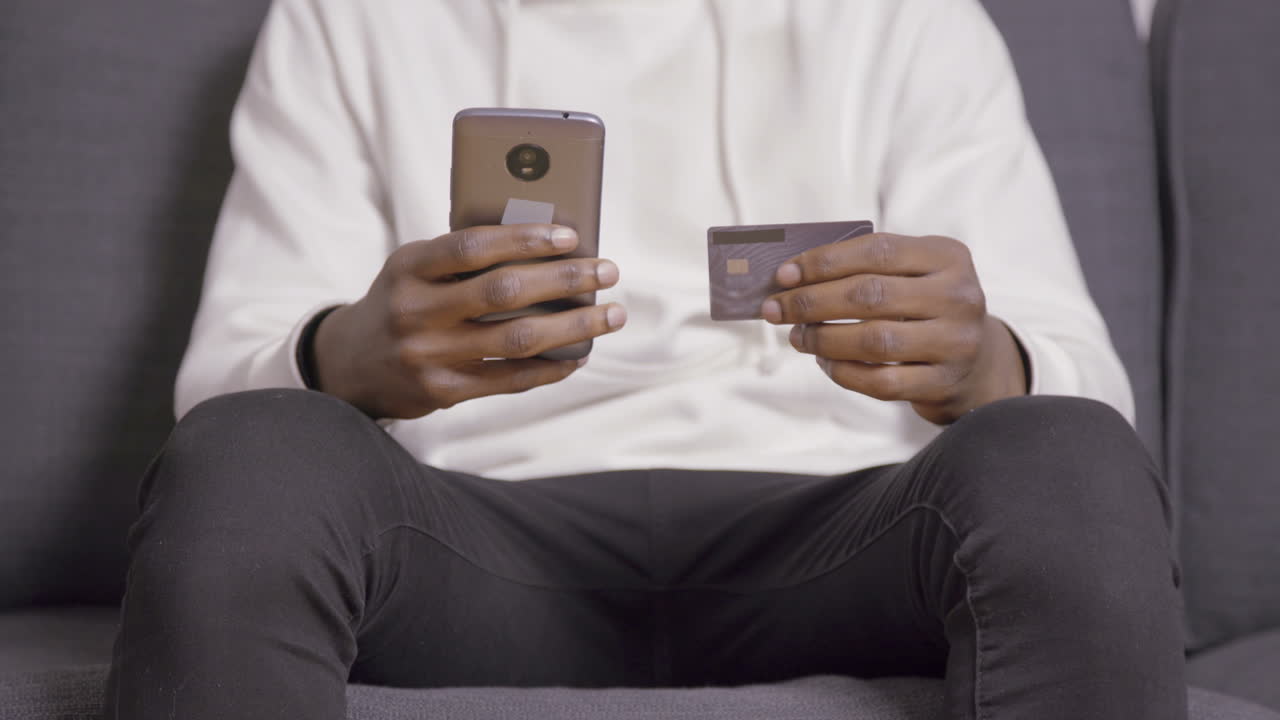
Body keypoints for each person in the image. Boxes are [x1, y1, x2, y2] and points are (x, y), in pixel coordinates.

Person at [103, 0, 1187, 718]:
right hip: (469, 541)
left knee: (1066, 461)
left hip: (845, 536)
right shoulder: (350, 16)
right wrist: (345, 353)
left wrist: (979, 362)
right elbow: (219, 401)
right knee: (252, 455)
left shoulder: (905, 16)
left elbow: (1089, 400)